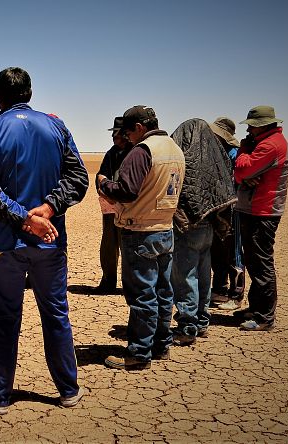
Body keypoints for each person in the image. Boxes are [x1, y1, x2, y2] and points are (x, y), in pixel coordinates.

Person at [0, 67, 88, 415]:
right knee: (56, 316)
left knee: (5, 321)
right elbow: (80, 177)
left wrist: (25, 218)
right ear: (30, 94)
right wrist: (47, 210)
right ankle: (68, 390)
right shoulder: (56, 126)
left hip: (4, 246)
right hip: (50, 244)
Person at [97, 105, 185, 370]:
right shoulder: (174, 148)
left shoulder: (142, 151)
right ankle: (161, 345)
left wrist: (103, 184)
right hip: (165, 229)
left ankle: (138, 353)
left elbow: (126, 191)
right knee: (162, 291)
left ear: (138, 128)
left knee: (142, 295)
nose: (126, 137)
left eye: (127, 131)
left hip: (140, 231)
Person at [168, 119, 236, 346]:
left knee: (186, 277)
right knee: (203, 275)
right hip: (208, 226)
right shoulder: (215, 160)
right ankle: (202, 322)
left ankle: (187, 327)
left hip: (189, 227)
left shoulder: (186, 161)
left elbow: (179, 191)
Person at [232, 106, 288, 331]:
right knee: (255, 262)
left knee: (261, 264)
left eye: (251, 126)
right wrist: (244, 173)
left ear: (263, 125)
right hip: (256, 210)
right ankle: (256, 308)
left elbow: (242, 171)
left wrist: (244, 152)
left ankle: (264, 317)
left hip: (262, 211)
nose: (248, 130)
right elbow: (243, 175)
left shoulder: (269, 145)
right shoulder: (267, 143)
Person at [209, 117, 245, 310]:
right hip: (218, 208)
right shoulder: (216, 153)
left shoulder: (234, 154)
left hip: (232, 209)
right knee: (218, 250)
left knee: (234, 252)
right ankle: (220, 290)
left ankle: (236, 295)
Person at [93, 117, 132, 293]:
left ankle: (130, 284)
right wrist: (102, 190)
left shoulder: (135, 152)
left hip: (128, 207)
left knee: (128, 245)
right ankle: (108, 281)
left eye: (116, 134)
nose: (114, 137)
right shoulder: (111, 153)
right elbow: (101, 174)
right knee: (108, 245)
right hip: (109, 207)